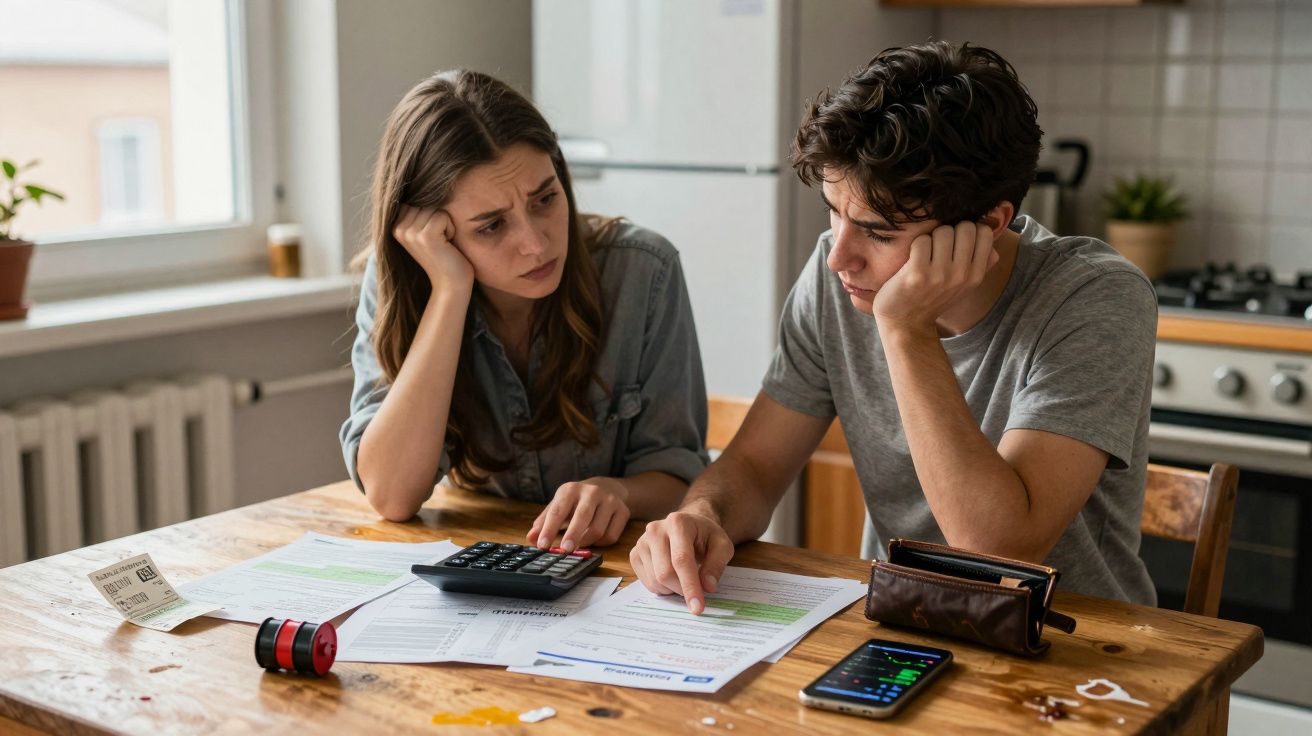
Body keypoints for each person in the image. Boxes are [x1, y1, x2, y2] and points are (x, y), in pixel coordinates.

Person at [631, 41, 1158, 612]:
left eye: (879, 233)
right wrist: (701, 517)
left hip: (1077, 646)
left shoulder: (1095, 296)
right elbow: (757, 467)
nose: (840, 257)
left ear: (988, 223)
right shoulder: (837, 272)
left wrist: (906, 329)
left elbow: (1000, 548)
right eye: (835, 212)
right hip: (903, 620)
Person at [340, 70, 709, 553]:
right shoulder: (403, 284)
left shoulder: (644, 271)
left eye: (545, 199)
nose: (535, 244)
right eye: (491, 226)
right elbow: (391, 495)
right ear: (434, 234)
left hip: (618, 575)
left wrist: (619, 490)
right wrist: (450, 292)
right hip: (478, 572)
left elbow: (680, 475)